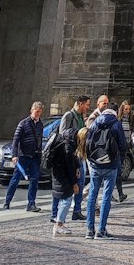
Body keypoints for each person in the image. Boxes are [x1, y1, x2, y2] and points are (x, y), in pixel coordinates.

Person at [85, 99, 126, 239]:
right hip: (111, 164)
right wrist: (119, 160)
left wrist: (91, 160)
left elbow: (88, 142)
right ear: (115, 113)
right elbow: (123, 145)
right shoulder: (116, 124)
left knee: (92, 197)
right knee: (106, 198)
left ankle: (89, 230)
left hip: (96, 163)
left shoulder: (95, 122)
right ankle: (101, 230)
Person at [51, 95, 90, 224]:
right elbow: (63, 134)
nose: (88, 107)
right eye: (87, 104)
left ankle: (77, 211)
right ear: (80, 104)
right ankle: (55, 214)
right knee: (62, 186)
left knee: (80, 182)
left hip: (78, 154)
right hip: (69, 154)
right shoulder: (69, 116)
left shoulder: (81, 117)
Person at [4, 101, 44, 211]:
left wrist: (40, 153)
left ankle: (31, 204)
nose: (38, 114)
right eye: (36, 112)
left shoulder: (40, 124)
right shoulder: (23, 123)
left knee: (34, 180)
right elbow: (16, 140)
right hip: (23, 155)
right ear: (32, 110)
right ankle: (7, 201)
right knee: (15, 179)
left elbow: (39, 139)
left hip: (35, 156)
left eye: (40, 112)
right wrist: (14, 155)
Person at [50, 122, 81, 238]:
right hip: (63, 177)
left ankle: (59, 222)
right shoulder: (67, 148)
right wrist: (74, 184)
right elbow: (69, 167)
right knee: (66, 200)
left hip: (58, 176)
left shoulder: (64, 144)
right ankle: (59, 224)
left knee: (63, 199)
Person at [115, 101, 133, 203]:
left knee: (119, 171)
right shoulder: (119, 120)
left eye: (129, 109)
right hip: (119, 148)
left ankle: (119, 193)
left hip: (125, 147)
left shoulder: (127, 120)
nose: (128, 111)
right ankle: (120, 193)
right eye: (126, 109)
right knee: (117, 172)